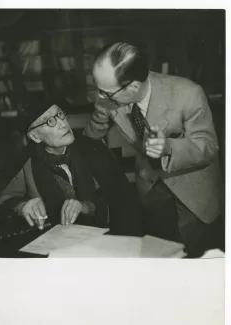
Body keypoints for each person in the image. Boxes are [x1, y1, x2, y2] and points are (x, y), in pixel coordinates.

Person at [84, 41, 224, 255]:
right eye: (99, 90)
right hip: (150, 186)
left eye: (106, 93)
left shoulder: (187, 93)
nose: (100, 97)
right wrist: (82, 142)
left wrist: (168, 147)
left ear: (133, 87)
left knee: (191, 256)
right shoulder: (110, 96)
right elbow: (97, 124)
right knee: (158, 250)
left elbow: (208, 146)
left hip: (193, 189)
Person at [0, 97, 110, 231]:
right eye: (50, 121)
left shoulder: (90, 153)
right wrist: (22, 207)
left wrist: (87, 207)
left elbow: (116, 200)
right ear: (35, 137)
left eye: (60, 114)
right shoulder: (28, 165)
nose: (63, 124)